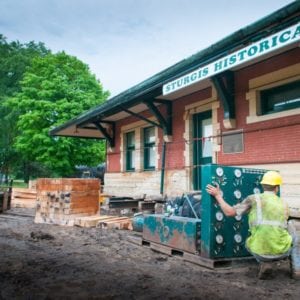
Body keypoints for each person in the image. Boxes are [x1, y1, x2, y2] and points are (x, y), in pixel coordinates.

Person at [206, 170, 293, 279]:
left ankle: (265, 262)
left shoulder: (253, 199)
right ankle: (296, 268)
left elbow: (229, 212)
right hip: (282, 250)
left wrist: (218, 195)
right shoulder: (284, 203)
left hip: (259, 250)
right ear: (277, 187)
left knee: (249, 240)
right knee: (293, 231)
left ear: (262, 185)